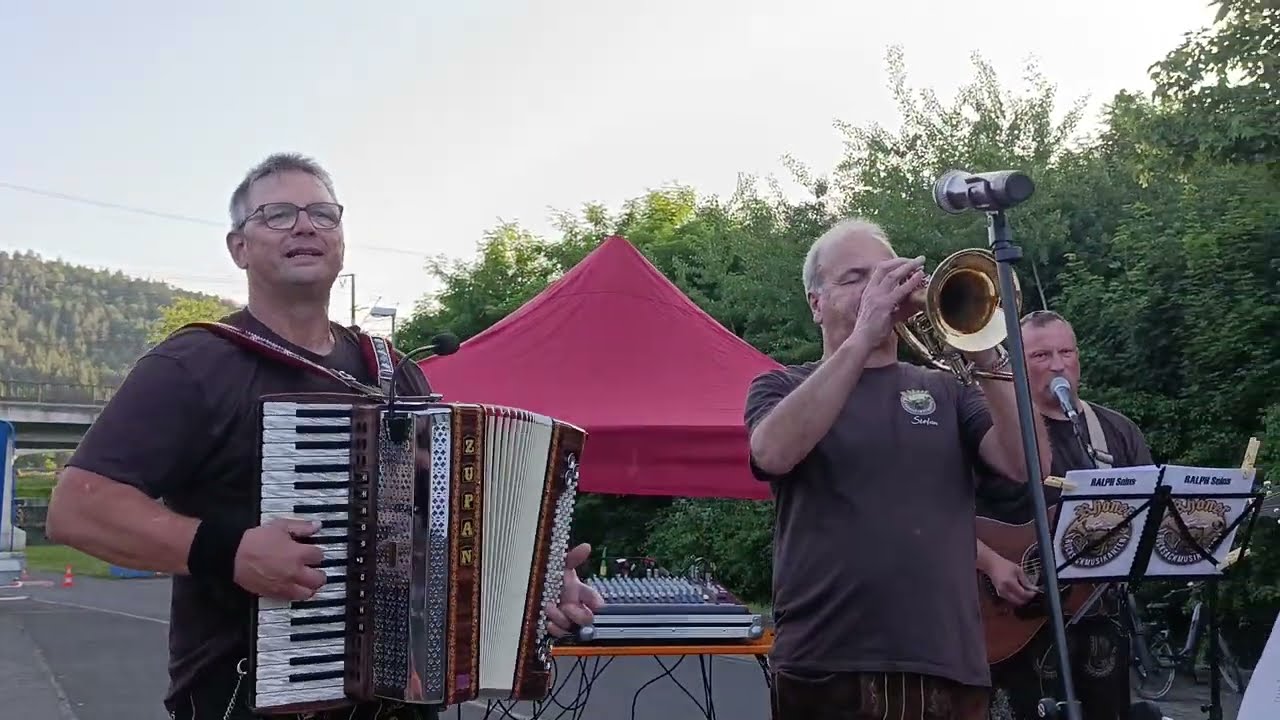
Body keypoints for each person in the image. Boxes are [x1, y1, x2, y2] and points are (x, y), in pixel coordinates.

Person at [45, 153, 603, 720]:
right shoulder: (193, 364)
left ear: (340, 238)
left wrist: (535, 584)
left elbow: (447, 524)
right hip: (245, 701)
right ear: (239, 248)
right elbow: (78, 509)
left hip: (401, 705)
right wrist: (230, 551)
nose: (305, 226)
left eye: (322, 214)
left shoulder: (394, 371)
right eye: (278, 214)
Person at [744, 218, 1052, 720]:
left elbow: (1029, 464)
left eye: (886, 273)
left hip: (947, 661)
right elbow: (773, 453)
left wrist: (983, 345)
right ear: (816, 304)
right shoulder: (782, 386)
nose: (877, 288)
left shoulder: (947, 390)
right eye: (854, 278)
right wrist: (864, 334)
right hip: (827, 661)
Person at [975, 309, 1154, 720]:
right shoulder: (990, 430)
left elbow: (1148, 518)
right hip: (1012, 622)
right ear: (1015, 366)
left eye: (1066, 352)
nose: (1057, 365)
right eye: (1041, 355)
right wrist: (992, 563)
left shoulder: (1116, 431)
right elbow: (941, 517)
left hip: (1098, 623)